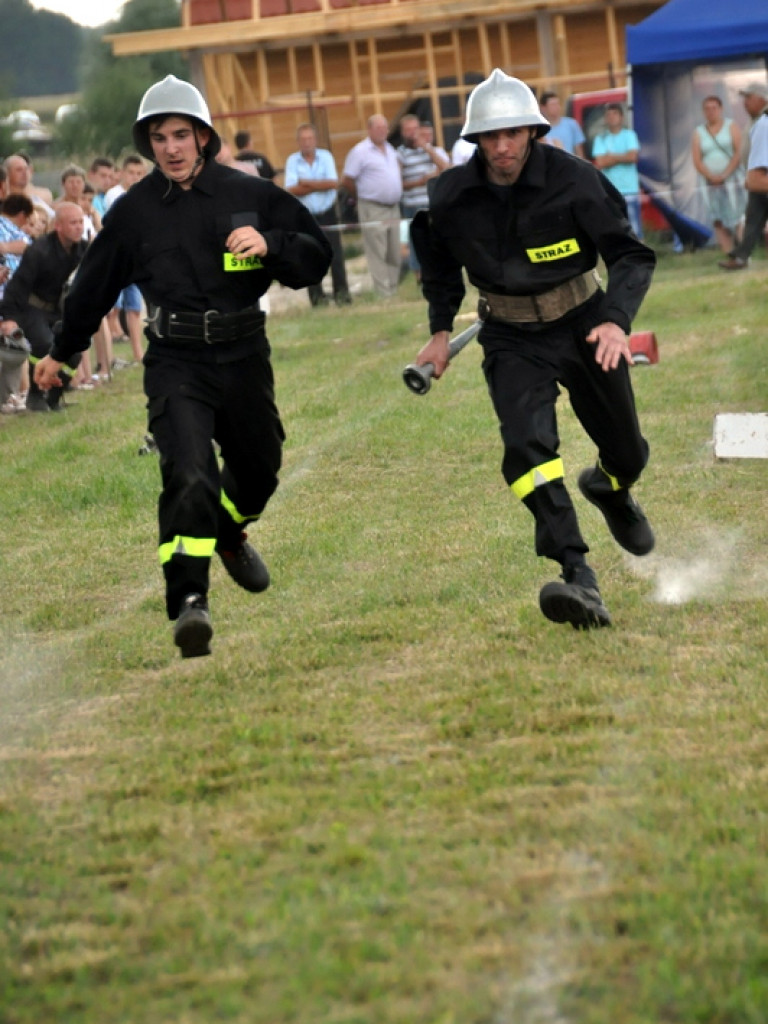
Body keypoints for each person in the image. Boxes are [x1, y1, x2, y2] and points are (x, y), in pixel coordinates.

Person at [33, 75, 331, 659]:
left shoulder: (248, 192)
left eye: (180, 135)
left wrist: (270, 242)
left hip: (246, 355)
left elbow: (316, 256)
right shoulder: (133, 212)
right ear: (148, 145)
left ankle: (229, 532)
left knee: (261, 467)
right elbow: (93, 290)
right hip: (176, 361)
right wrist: (61, 354)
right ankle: (190, 602)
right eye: (158, 137)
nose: (170, 147)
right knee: (189, 474)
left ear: (202, 137)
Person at [410, 69, 656, 631]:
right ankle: (577, 573)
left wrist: (616, 321)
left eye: (512, 134)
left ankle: (610, 488)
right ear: (475, 140)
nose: (502, 147)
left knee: (629, 451)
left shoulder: (575, 180)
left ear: (532, 132)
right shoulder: (449, 197)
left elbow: (630, 255)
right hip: (511, 336)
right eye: (490, 136)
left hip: (586, 323)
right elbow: (440, 267)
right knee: (527, 447)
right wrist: (440, 330)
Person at [0, 202, 86, 412]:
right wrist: (9, 318)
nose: (79, 227)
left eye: (81, 222)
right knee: (45, 345)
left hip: (59, 310)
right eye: (73, 222)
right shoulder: (39, 250)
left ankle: (53, 398)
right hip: (32, 308)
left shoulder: (84, 249)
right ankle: (35, 396)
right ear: (58, 226)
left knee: (74, 351)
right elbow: (17, 286)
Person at [284, 122, 352, 306]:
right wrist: (317, 184)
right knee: (309, 257)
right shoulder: (292, 160)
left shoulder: (326, 156)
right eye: (303, 139)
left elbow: (332, 184)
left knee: (335, 255)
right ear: (298, 141)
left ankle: (342, 295)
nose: (307, 142)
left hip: (328, 213)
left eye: (310, 138)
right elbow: (291, 189)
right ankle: (317, 298)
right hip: (306, 216)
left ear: (315, 140)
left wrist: (306, 183)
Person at [341, 114, 403, 298]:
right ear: (369, 130)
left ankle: (393, 289)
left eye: (385, 128)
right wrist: (362, 198)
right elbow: (347, 179)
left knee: (394, 250)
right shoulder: (360, 151)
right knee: (378, 251)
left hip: (393, 206)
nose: (382, 131)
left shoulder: (391, 149)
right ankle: (384, 294)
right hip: (373, 206)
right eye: (378, 128)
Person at [719, 81, 768, 271]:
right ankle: (740, 257)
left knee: (754, 221)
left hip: (762, 178)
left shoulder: (763, 121)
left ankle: (740, 256)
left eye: (749, 97)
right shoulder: (754, 121)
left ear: (762, 98)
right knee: (753, 221)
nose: (745, 102)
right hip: (757, 178)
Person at [397, 117, 449, 281]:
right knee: (415, 243)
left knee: (436, 240)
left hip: (431, 203)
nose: (412, 134)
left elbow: (446, 168)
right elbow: (397, 183)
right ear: (402, 133)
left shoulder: (431, 150)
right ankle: (419, 277)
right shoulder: (400, 153)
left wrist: (426, 148)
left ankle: (439, 273)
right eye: (408, 130)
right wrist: (418, 183)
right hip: (412, 204)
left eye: (415, 129)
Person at [690, 96, 744, 255]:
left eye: (714, 108)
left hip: (732, 180)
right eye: (707, 108)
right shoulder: (698, 132)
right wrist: (711, 177)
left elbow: (738, 153)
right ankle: (729, 254)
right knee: (718, 219)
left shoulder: (731, 126)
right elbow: (697, 159)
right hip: (709, 183)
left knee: (738, 217)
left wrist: (725, 174)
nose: (711, 112)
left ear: (720, 109)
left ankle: (743, 253)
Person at [592, 102, 643, 238]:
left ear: (621, 117)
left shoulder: (629, 135)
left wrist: (612, 156)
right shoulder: (600, 139)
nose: (611, 117)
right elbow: (601, 162)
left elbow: (632, 157)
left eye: (615, 114)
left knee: (634, 226)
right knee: (615, 227)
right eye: (608, 115)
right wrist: (622, 156)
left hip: (629, 188)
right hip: (610, 190)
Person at [539, 91, 585, 157]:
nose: (557, 107)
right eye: (553, 105)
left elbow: (579, 151)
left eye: (558, 104)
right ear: (543, 108)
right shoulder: (541, 130)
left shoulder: (571, 124)